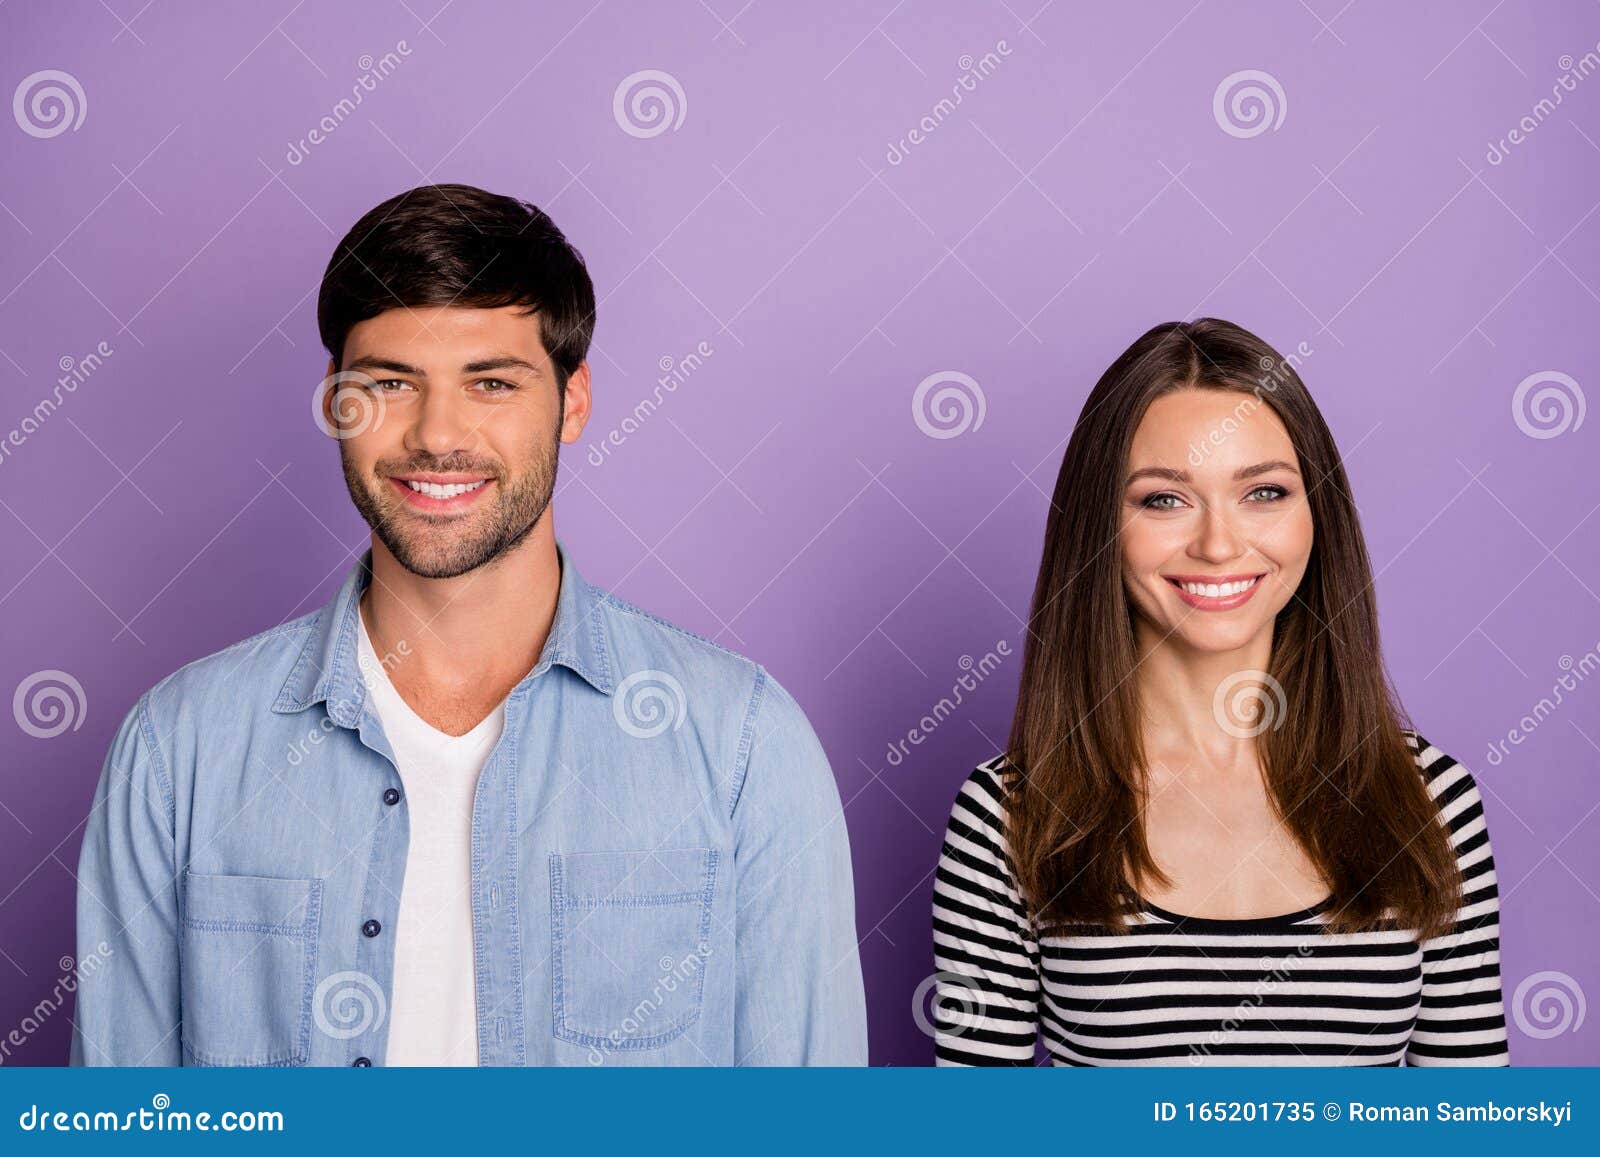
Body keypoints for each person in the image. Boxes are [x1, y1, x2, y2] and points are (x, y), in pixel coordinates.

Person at [71, 184, 867, 1067]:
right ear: (338, 403)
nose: (436, 434)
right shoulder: (178, 750)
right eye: (389, 383)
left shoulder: (743, 745)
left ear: (572, 401)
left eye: (490, 382)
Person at [932, 319, 1507, 1066]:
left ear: (1316, 516)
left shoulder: (1429, 800)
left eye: (1263, 491)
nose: (1218, 544)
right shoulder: (1008, 816)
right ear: (1101, 527)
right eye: (1164, 500)